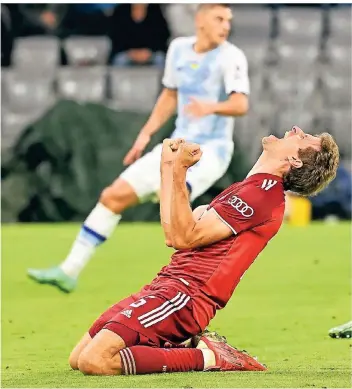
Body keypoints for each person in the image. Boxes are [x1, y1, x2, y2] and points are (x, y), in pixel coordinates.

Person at [67, 126, 339, 376]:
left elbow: (183, 236)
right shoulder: (251, 188)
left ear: (295, 161)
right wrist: (169, 166)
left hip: (185, 296)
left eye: (303, 138)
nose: (296, 130)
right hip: (166, 286)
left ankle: (209, 358)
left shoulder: (263, 194)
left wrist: (180, 170)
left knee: (96, 361)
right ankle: (186, 347)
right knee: (77, 358)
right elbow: (173, 232)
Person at [27, 3, 250, 292]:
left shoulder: (231, 57)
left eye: (228, 20)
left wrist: (211, 106)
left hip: (209, 152)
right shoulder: (179, 50)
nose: (225, 25)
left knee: (180, 219)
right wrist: (145, 135)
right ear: (201, 20)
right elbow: (170, 95)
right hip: (174, 148)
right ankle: (68, 271)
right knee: (112, 196)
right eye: (219, 18)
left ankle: (202, 283)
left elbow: (241, 104)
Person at [109, 4, 170, 68]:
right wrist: (132, 53)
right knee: (120, 60)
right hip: (127, 53)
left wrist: (148, 52)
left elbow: (162, 37)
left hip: (151, 53)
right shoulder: (121, 10)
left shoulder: (156, 10)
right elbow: (116, 37)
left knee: (160, 58)